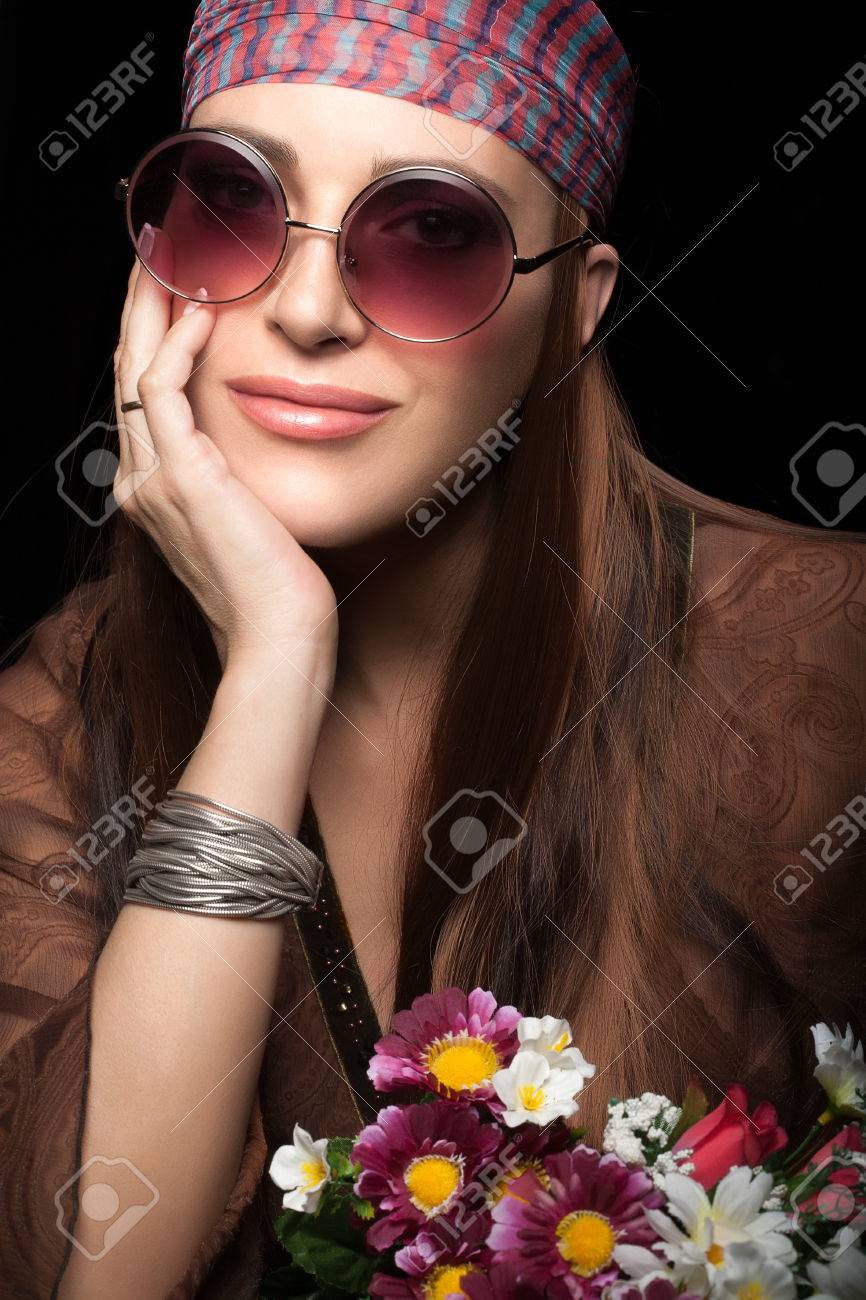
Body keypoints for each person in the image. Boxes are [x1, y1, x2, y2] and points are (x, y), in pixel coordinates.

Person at [2, 2, 864, 1296]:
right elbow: (107, 1273)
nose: (307, 311)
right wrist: (275, 662)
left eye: (435, 235)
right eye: (231, 207)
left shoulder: (822, 654)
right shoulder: (55, 720)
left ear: (577, 304)